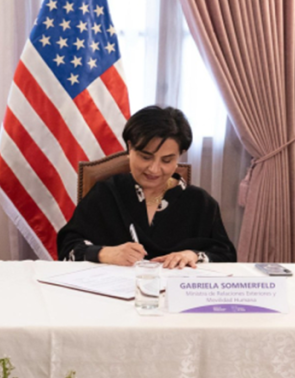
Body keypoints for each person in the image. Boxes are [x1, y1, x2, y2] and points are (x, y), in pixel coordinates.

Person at [57, 106, 236, 268]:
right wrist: (104, 253)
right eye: (145, 157)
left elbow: (226, 256)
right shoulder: (106, 193)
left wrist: (193, 255)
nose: (154, 169)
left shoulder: (200, 203)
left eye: (167, 160)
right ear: (130, 148)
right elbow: (67, 248)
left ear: (180, 155)